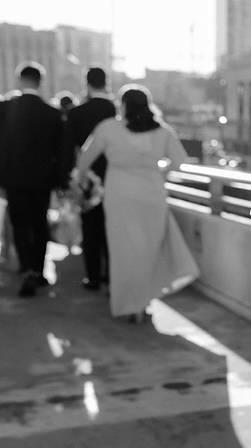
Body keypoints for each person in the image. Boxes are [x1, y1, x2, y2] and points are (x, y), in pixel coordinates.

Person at [73, 85, 198, 322]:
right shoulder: (162, 131)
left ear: (123, 104)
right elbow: (180, 161)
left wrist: (84, 183)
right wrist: (159, 172)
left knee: (123, 251)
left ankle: (129, 304)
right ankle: (143, 302)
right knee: (148, 250)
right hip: (152, 194)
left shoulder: (108, 128)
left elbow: (84, 161)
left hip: (119, 194)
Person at [0, 62, 64, 297]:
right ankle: (38, 270)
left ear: (19, 80)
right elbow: (61, 152)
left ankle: (26, 268)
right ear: (40, 82)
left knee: (19, 225)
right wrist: (60, 182)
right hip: (42, 180)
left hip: (13, 179)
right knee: (39, 224)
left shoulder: (5, 108)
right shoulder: (53, 114)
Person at [63, 67, 117, 291]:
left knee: (91, 228)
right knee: (113, 229)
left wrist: (68, 179)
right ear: (107, 82)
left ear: (87, 83)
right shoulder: (118, 111)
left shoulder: (77, 113)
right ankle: (112, 274)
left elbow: (67, 150)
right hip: (117, 178)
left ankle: (93, 277)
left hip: (87, 180)